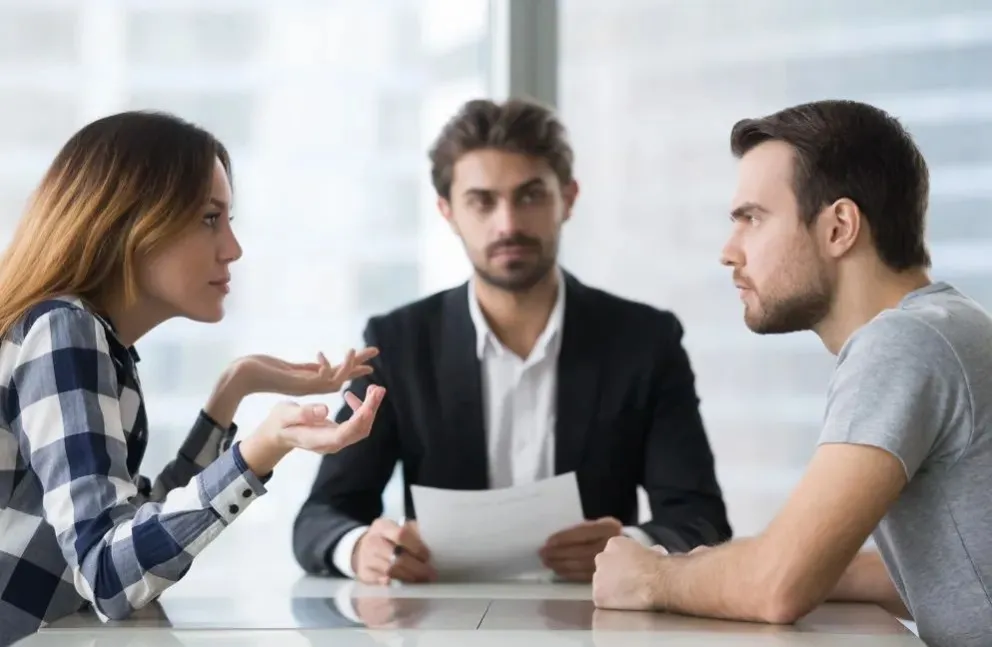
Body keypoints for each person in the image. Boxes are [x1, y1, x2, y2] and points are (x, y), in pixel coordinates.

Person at [591, 99, 992, 647]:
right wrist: (771, 564)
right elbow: (963, 571)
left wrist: (652, 577)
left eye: (752, 218)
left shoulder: (903, 343)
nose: (728, 252)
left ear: (839, 228)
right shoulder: (952, 325)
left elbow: (777, 589)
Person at [292, 98, 731, 588]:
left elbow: (699, 517)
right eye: (482, 201)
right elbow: (322, 516)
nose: (508, 224)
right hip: (443, 626)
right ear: (448, 212)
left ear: (568, 198)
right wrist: (360, 550)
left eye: (530, 196)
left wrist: (632, 548)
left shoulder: (645, 341)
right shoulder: (397, 344)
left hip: (597, 623)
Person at [0, 111, 384, 646]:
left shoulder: (86, 339)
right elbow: (109, 573)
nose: (233, 248)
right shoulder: (65, 332)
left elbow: (126, 532)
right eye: (210, 218)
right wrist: (260, 450)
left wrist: (235, 387)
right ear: (130, 220)